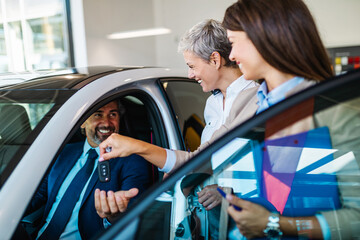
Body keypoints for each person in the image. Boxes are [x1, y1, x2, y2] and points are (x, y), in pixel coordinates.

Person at [217, 0, 360, 239]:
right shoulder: (259, 105)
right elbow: (273, 191)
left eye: (232, 43)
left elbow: (357, 218)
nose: (231, 55)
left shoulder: (337, 112)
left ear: (262, 36)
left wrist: (274, 223)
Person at [98, 19, 257, 176]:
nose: (190, 75)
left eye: (192, 66)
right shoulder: (212, 103)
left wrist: (136, 146)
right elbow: (207, 162)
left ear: (215, 60)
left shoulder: (254, 100)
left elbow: (200, 162)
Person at [27, 100, 151, 239]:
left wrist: (113, 217)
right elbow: (36, 197)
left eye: (113, 114)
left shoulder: (132, 160)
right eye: (98, 114)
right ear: (82, 122)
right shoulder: (64, 152)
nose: (106, 123)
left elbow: (133, 215)